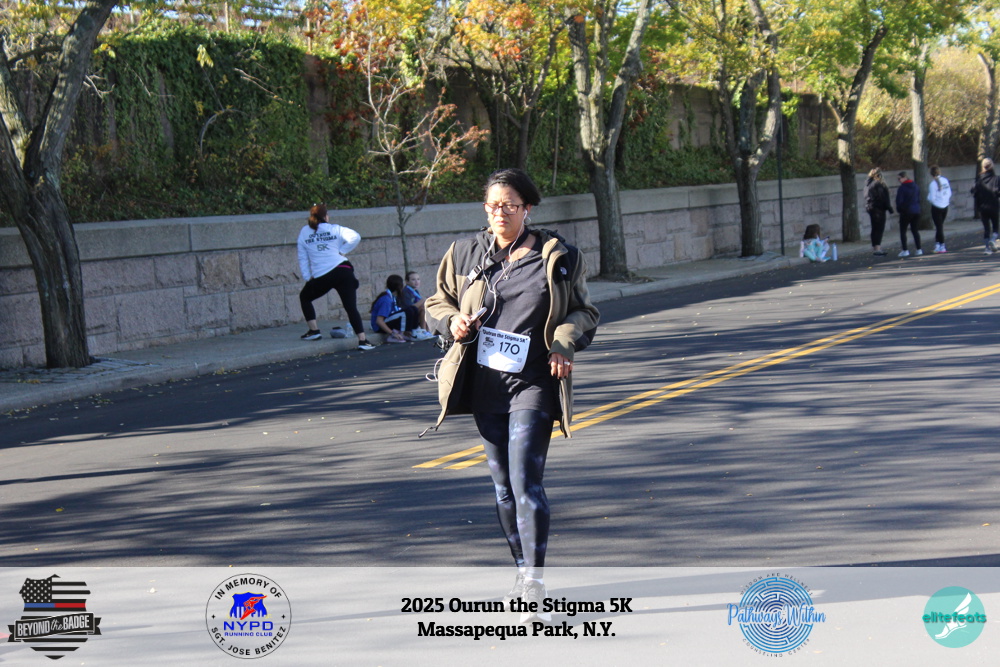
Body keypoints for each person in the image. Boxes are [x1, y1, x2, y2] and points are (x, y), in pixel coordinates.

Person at [424, 168, 600, 624]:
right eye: (492, 205)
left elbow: (584, 311)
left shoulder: (558, 257)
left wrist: (563, 342)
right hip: (485, 383)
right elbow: (436, 303)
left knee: (525, 480)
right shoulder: (464, 253)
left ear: (528, 208)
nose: (499, 213)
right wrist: (452, 322)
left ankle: (535, 585)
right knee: (503, 487)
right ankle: (523, 573)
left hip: (534, 381)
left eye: (509, 205)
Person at [297, 203, 375, 350]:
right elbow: (355, 237)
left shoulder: (304, 232)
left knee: (305, 297)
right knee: (351, 307)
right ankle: (363, 340)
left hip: (322, 275)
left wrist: (308, 277)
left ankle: (314, 331)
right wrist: (342, 251)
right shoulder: (334, 229)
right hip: (343, 270)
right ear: (326, 216)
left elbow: (303, 257)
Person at [370, 274, 421, 343]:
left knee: (413, 309)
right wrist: (392, 333)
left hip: (388, 321)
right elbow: (379, 321)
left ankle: (413, 332)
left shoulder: (393, 297)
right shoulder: (386, 300)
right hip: (379, 327)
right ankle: (399, 334)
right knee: (405, 312)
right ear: (399, 287)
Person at [971, 157, 1000, 255]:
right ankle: (993, 239)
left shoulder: (978, 180)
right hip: (994, 206)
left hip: (982, 207)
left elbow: (973, 192)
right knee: (995, 227)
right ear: (992, 166)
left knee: (986, 228)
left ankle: (987, 248)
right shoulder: (997, 179)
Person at [863, 168, 893, 256]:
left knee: (874, 228)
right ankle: (877, 248)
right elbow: (883, 197)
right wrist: (889, 208)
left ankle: (875, 247)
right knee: (879, 228)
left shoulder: (868, 184)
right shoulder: (879, 184)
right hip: (879, 208)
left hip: (871, 207)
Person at [401, 271, 435, 340]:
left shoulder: (415, 291)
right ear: (407, 281)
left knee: (427, 307)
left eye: (418, 279)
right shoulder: (406, 292)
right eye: (413, 279)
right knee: (423, 309)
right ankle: (423, 331)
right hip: (408, 315)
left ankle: (427, 331)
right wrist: (423, 300)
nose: (416, 282)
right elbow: (411, 308)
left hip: (415, 313)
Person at [895, 171, 922, 257]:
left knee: (903, 231)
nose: (899, 180)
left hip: (906, 211)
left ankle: (905, 250)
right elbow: (918, 198)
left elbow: (899, 201)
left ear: (904, 178)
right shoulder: (916, 186)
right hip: (916, 210)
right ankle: (919, 249)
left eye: (899, 179)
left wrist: (900, 210)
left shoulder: (902, 188)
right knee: (915, 230)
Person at [927, 165, 951, 253]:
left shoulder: (932, 184)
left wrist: (928, 198)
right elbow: (949, 193)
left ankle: (942, 245)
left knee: (939, 227)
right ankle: (937, 244)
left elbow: (932, 198)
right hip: (945, 206)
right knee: (939, 226)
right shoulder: (945, 180)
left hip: (936, 207)